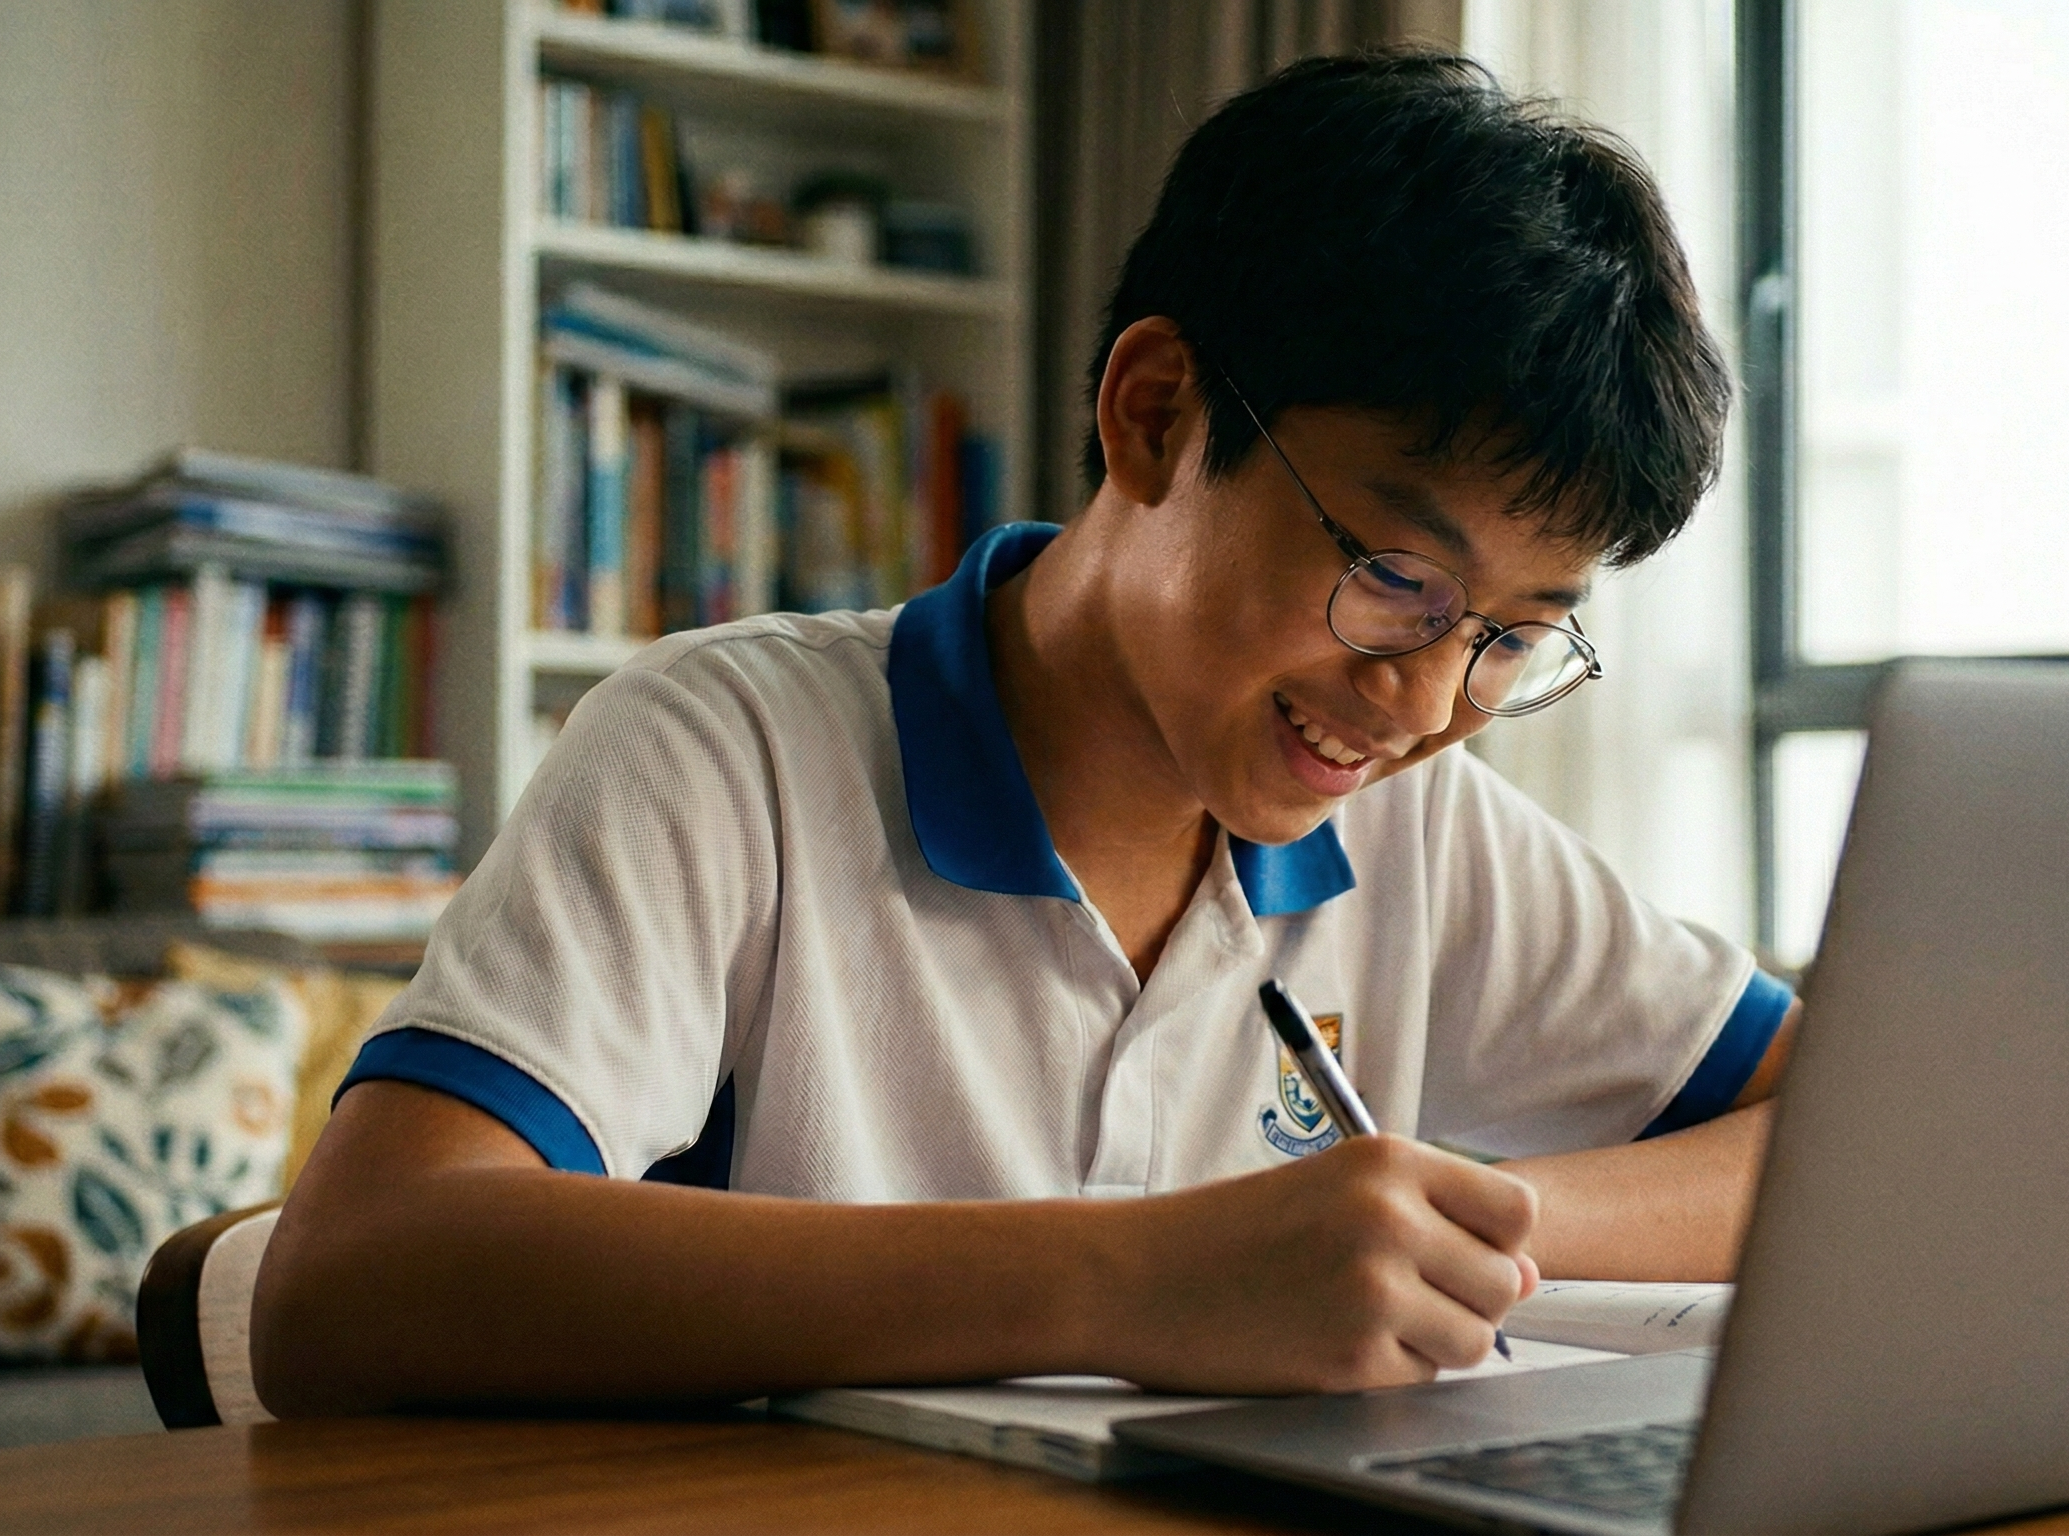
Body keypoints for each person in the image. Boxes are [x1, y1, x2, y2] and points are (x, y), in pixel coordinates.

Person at [252, 51, 1797, 1415]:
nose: (1424, 704)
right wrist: (1132, 1278)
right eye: (1393, 576)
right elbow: (352, 1280)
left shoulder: (1411, 827)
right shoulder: (726, 750)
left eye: (1515, 636)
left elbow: (1833, 1138)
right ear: (1153, 414)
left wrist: (1434, 1220)